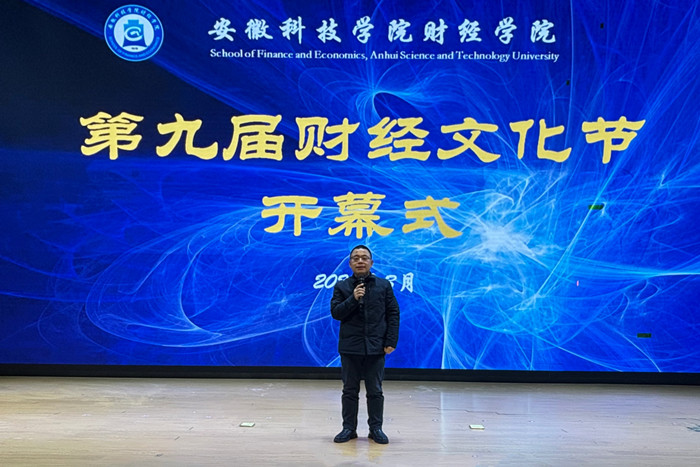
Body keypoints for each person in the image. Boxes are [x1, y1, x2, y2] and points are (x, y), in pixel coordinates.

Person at [330, 245, 400, 444]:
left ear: (371, 262)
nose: (360, 261)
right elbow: (336, 313)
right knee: (349, 391)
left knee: (375, 391)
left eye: (364, 258)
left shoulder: (383, 285)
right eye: (356, 258)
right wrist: (353, 298)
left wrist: (390, 341)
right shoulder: (342, 287)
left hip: (376, 347)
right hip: (350, 347)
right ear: (350, 263)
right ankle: (348, 429)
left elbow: (393, 313)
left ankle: (376, 429)